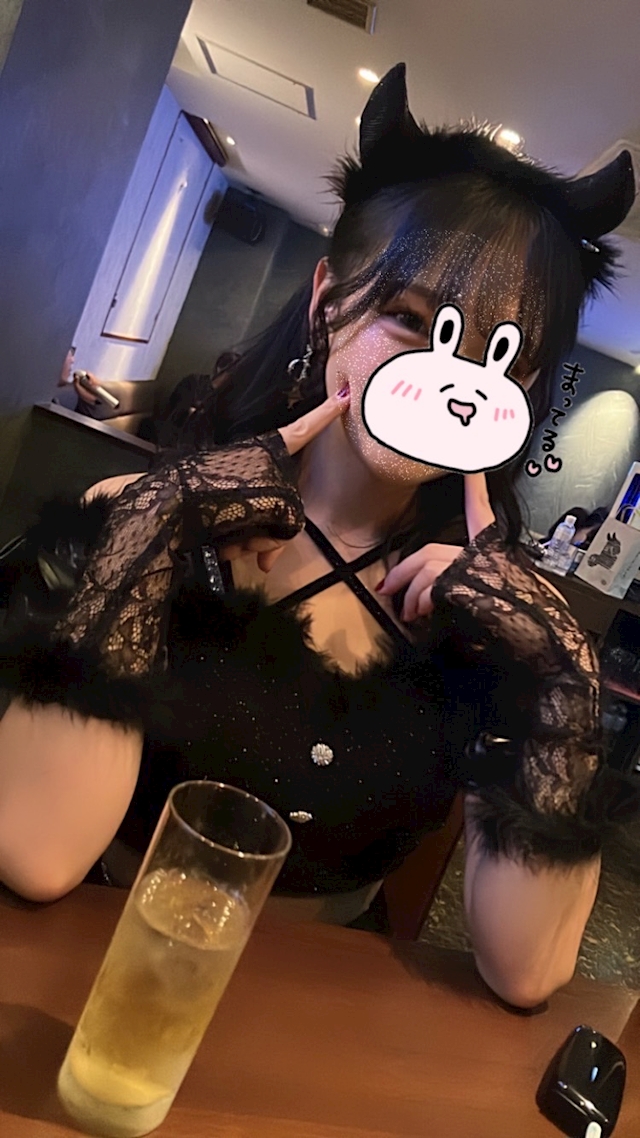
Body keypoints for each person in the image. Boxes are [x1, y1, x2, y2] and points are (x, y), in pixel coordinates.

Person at [1, 64, 638, 1009]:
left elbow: (527, 971)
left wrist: (561, 672)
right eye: (411, 320)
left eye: (503, 356)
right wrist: (160, 520)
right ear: (326, 298)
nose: (454, 382)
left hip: (327, 1024)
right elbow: (39, 853)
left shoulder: (482, 625)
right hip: (100, 978)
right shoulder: (142, 517)